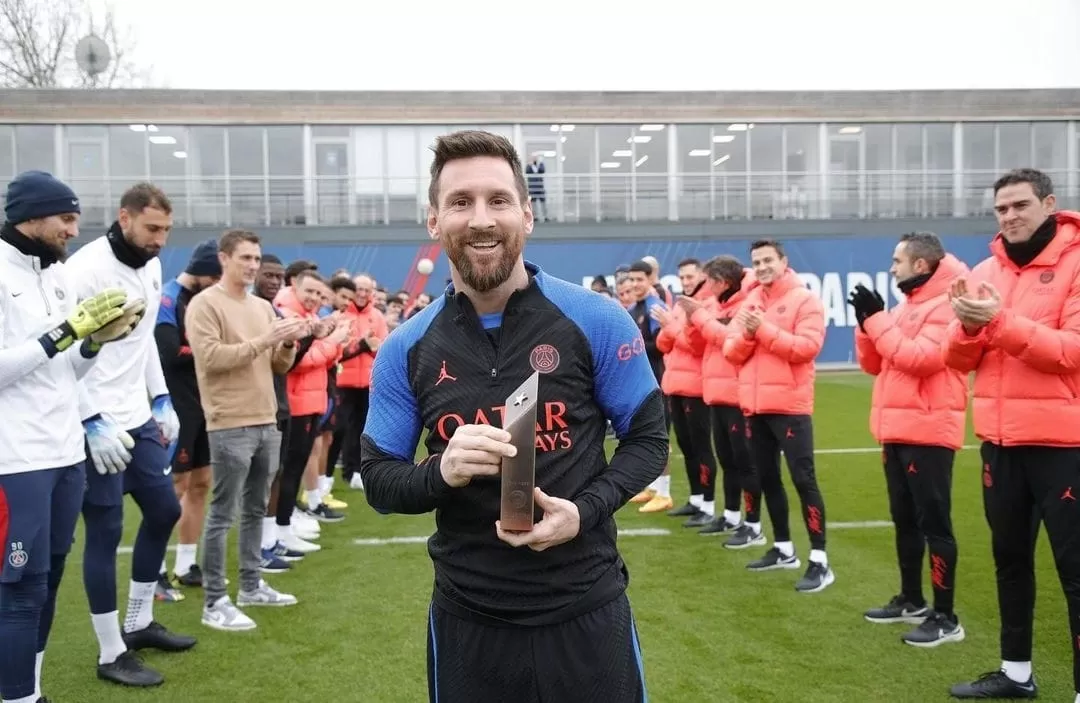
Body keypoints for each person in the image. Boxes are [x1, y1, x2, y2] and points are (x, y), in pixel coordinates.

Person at [360, 130, 668, 703]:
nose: (481, 219)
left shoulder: (595, 319)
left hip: (587, 609)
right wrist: (440, 471)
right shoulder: (405, 348)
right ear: (433, 221)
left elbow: (649, 440)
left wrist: (584, 511)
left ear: (527, 216)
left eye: (498, 200)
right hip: (469, 624)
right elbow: (379, 481)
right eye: (460, 202)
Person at [0, 171, 142, 703]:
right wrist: (64, 333)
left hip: (64, 449)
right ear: (30, 215)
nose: (72, 229)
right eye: (65, 217)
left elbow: (61, 371)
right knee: (18, 590)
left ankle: (29, 689)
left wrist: (94, 344)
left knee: (50, 578)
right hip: (15, 458)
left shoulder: (56, 275)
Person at [944, 169, 1080, 700]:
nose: (1010, 216)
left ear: (1049, 204)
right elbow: (956, 360)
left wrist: (995, 324)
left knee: (1075, 573)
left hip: (1064, 446)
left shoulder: (1075, 262)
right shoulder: (986, 270)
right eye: (1001, 209)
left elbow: (1070, 351)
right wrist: (969, 328)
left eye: (1020, 205)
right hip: (1000, 444)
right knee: (1010, 562)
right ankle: (1016, 673)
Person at [65, 183, 196, 688]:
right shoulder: (84, 269)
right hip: (95, 421)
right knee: (105, 529)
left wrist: (160, 398)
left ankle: (138, 622)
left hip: (136, 415)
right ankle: (109, 650)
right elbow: (65, 355)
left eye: (166, 229)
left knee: (164, 510)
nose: (160, 239)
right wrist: (89, 419)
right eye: (152, 228)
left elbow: (140, 343)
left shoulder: (152, 265)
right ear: (124, 217)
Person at [849, 231, 969, 647]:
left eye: (897, 260)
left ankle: (946, 616)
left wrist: (877, 321)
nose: (891, 266)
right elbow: (874, 364)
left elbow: (921, 360)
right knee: (905, 520)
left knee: (935, 525)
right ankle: (912, 598)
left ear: (920, 264)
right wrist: (867, 326)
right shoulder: (907, 306)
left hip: (929, 431)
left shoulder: (947, 302)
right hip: (897, 430)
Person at [186, 229, 308, 632]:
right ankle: (214, 600)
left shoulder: (260, 307)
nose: (254, 266)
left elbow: (278, 367)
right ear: (224, 258)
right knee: (223, 513)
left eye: (256, 259)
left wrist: (287, 344)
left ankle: (251, 586)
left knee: (256, 508)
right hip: (229, 422)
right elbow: (211, 359)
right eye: (246, 259)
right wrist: (265, 339)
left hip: (266, 419)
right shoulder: (205, 305)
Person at [723, 239, 834, 593]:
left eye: (768, 259)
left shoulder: (805, 300)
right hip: (755, 406)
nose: (762, 266)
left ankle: (819, 559)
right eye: (756, 261)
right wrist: (752, 336)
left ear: (784, 261)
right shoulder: (752, 300)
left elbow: (807, 348)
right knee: (768, 479)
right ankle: (784, 548)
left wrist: (762, 331)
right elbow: (731, 350)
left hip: (790, 407)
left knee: (804, 481)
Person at [155, 239, 221, 590]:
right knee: (176, 486)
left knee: (201, 483)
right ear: (204, 272)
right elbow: (167, 353)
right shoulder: (168, 297)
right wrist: (213, 350)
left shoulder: (203, 299)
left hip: (204, 404)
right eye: (215, 277)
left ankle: (185, 563)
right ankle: (154, 567)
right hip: (177, 405)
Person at [679, 255, 757, 539]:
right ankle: (731, 515)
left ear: (722, 282)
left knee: (743, 461)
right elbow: (695, 344)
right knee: (727, 459)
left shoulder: (745, 304)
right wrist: (691, 320)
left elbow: (727, 338)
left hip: (737, 394)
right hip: (715, 392)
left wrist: (698, 316)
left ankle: (753, 523)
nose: (704, 285)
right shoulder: (712, 305)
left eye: (709, 280)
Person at [652, 258, 719, 527]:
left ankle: (708, 504)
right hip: (676, 385)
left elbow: (697, 346)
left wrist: (671, 327)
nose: (686, 281)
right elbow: (663, 344)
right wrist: (671, 328)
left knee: (702, 448)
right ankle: (695, 499)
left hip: (697, 388)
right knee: (688, 448)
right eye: (682, 277)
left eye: (690, 276)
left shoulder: (707, 306)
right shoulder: (681, 307)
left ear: (702, 276)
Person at [625, 259, 674, 512]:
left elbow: (662, 346)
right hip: (642, 382)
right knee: (644, 434)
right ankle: (652, 487)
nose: (634, 284)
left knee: (660, 436)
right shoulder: (634, 308)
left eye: (639, 279)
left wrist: (636, 347)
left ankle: (664, 492)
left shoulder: (656, 307)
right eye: (631, 279)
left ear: (649, 280)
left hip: (659, 381)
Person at [336, 273, 388, 491]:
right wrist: (364, 345)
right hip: (342, 382)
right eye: (359, 289)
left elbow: (383, 348)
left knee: (362, 429)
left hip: (368, 383)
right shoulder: (340, 315)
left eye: (367, 290)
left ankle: (357, 470)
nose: (362, 294)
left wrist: (369, 346)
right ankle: (343, 471)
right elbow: (337, 349)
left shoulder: (377, 316)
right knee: (341, 429)